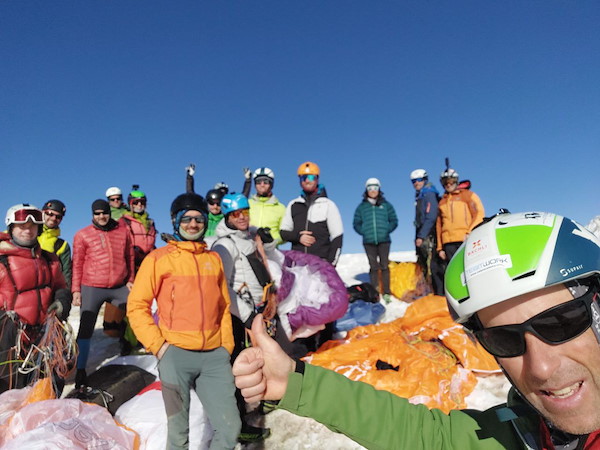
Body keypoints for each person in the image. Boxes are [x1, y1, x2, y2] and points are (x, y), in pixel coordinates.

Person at [233, 211, 600, 449]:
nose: (541, 367)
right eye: (505, 339)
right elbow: (427, 436)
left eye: (561, 323)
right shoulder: (523, 435)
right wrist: (294, 382)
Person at [127, 192, 240, 449]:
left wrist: (226, 348)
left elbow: (223, 306)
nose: (193, 224)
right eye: (186, 219)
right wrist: (160, 347)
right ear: (175, 221)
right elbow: (137, 306)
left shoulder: (213, 259)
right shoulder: (158, 258)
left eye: (198, 219)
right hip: (175, 355)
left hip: (214, 357)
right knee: (179, 434)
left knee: (230, 428)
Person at [211, 192, 278, 443]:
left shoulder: (247, 235)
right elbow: (222, 286)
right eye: (236, 214)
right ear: (227, 216)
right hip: (238, 315)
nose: (242, 218)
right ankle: (237, 424)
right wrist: (248, 315)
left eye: (245, 212)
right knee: (238, 366)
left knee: (261, 356)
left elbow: (262, 255)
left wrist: (269, 241)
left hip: (258, 307)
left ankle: (264, 399)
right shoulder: (224, 245)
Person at [0, 204, 71, 394]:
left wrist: (62, 300)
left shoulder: (50, 259)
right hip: (10, 341)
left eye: (32, 226)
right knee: (10, 389)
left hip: (44, 336)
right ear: (11, 228)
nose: (27, 230)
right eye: (21, 225)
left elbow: (60, 287)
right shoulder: (1, 259)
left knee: (48, 386)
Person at [71, 199, 135, 388]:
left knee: (137, 314)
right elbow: (77, 263)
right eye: (97, 213)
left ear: (109, 212)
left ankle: (132, 351)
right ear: (93, 215)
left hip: (118, 286)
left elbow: (130, 257)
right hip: (92, 286)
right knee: (86, 328)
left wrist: (131, 279)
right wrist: (76, 290)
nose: (101, 216)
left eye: (104, 212)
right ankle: (81, 370)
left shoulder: (123, 232)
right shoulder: (83, 235)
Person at [280, 161, 343, 266]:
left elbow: (337, 237)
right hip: (297, 265)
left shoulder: (328, 205)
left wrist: (331, 264)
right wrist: (298, 237)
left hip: (321, 265)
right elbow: (283, 232)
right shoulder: (293, 204)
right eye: (303, 178)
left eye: (311, 177)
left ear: (317, 178)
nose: (307, 181)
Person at [352, 178, 398, 301]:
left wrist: (387, 230)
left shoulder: (386, 205)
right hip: (369, 242)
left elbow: (394, 220)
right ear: (366, 190)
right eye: (370, 188)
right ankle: (375, 291)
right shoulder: (362, 207)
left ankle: (386, 292)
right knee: (373, 267)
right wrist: (365, 232)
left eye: (375, 188)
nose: (373, 191)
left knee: (384, 266)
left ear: (379, 189)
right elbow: (356, 223)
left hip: (384, 240)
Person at [436, 168, 484, 264]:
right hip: (448, 244)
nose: (448, 185)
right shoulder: (442, 201)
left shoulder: (468, 195)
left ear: (456, 181)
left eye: (451, 181)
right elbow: (439, 225)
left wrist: (469, 232)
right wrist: (440, 248)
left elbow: (479, 214)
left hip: (465, 239)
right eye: (445, 183)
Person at [410, 169, 444, 296]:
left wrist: (421, 236)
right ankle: (430, 291)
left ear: (424, 180)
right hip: (424, 233)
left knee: (431, 266)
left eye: (418, 180)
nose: (416, 183)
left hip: (429, 235)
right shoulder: (421, 195)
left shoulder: (429, 194)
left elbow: (431, 216)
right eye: (413, 181)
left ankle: (436, 293)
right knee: (425, 264)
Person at [38, 199, 72, 289]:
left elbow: (66, 272)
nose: (53, 218)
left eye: (58, 217)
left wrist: (66, 293)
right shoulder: (26, 234)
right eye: (50, 214)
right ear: (42, 212)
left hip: (48, 289)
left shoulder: (62, 245)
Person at [121, 188, 157, 272]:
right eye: (135, 202)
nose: (139, 205)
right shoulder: (125, 221)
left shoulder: (150, 222)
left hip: (148, 261)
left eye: (142, 202)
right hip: (132, 263)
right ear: (130, 204)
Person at [248, 167, 287, 246]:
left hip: (271, 252)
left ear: (271, 184)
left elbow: (286, 235)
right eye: (258, 182)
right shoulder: (247, 204)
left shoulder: (281, 208)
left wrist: (272, 240)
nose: (262, 185)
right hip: (248, 250)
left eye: (266, 181)